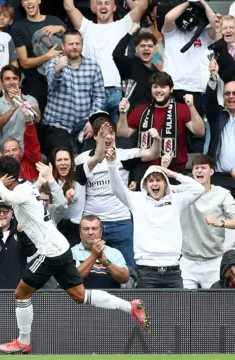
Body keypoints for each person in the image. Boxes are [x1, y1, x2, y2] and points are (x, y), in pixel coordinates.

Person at [0, 155, 149, 354]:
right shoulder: (25, 185)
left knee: (21, 294)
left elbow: (7, 198)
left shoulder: (21, 190)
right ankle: (131, 307)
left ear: (5, 177)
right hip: (61, 248)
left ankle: (24, 342)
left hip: (49, 252)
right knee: (80, 296)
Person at [105, 147, 205, 289]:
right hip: (146, 271)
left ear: (165, 184)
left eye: (159, 180)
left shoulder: (176, 200)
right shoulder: (137, 200)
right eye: (151, 180)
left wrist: (171, 174)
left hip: (173, 271)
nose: (155, 184)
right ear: (145, 184)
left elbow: (199, 189)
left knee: (178, 311)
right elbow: (116, 189)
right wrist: (111, 163)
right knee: (145, 312)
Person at [75, 118, 161, 269]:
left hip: (120, 221)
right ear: (95, 136)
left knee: (129, 268)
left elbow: (153, 154)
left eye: (112, 133)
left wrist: (157, 140)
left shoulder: (124, 155)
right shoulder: (82, 159)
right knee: (90, 268)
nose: (108, 137)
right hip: (92, 223)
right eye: (103, 134)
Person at [64, 0, 148, 122]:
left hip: (117, 92)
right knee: (92, 137)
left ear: (114, 7)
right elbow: (68, 6)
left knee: (119, 138)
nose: (103, 6)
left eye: (107, 3)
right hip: (92, 94)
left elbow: (142, 6)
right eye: (99, 3)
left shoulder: (123, 24)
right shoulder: (86, 26)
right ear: (94, 8)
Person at [163, 154, 235, 289]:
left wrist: (222, 223)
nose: (199, 171)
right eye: (196, 168)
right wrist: (163, 168)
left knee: (212, 306)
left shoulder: (222, 193)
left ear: (212, 171)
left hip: (213, 261)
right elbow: (161, 189)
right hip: (187, 260)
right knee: (183, 306)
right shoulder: (183, 191)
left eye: (203, 167)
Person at [117, 72, 205, 171]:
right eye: (155, 87)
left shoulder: (182, 109)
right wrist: (123, 113)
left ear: (171, 89)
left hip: (174, 169)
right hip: (146, 169)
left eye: (163, 87)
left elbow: (200, 131)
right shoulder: (140, 110)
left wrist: (191, 106)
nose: (158, 90)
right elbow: (123, 133)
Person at [42, 29, 105, 155]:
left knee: (89, 159)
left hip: (83, 125)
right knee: (62, 157)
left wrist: (92, 121)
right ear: (63, 46)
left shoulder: (93, 66)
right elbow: (52, 84)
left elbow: (99, 97)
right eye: (71, 44)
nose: (74, 47)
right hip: (57, 125)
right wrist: (58, 69)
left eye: (78, 44)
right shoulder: (54, 62)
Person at [10, 0, 65, 109]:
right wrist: (47, 56)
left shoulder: (55, 21)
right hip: (35, 83)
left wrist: (61, 28)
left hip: (60, 80)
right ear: (22, 3)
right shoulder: (18, 28)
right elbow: (24, 63)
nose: (29, 2)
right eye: (25, 0)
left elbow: (71, 43)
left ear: (39, 1)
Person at [0, 65, 40, 151]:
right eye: (7, 79)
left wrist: (21, 101)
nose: (11, 82)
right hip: (3, 152)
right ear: (1, 82)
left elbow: (37, 118)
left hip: (26, 151)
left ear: (19, 81)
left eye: (15, 78)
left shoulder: (30, 99)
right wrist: (14, 108)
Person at [71, 215, 129, 289]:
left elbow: (124, 278)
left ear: (101, 232)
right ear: (80, 232)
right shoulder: (72, 252)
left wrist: (106, 262)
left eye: (94, 229)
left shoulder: (114, 252)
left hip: (110, 298)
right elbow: (73, 279)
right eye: (86, 229)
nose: (90, 232)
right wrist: (94, 256)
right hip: (83, 298)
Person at [112, 24, 160, 110]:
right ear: (136, 49)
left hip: (149, 116)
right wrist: (130, 32)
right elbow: (116, 55)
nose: (146, 49)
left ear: (155, 49)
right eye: (142, 46)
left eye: (150, 46)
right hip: (129, 114)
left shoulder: (157, 74)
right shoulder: (129, 64)